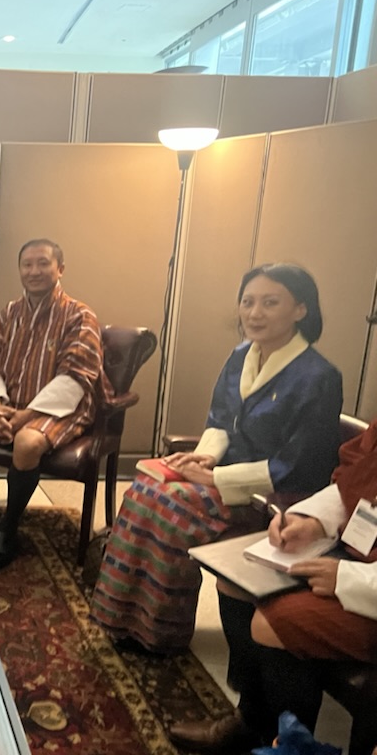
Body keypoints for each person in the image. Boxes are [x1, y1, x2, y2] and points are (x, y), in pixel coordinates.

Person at [91, 263, 343, 653]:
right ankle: (123, 620)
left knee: (175, 507)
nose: (254, 313)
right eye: (248, 302)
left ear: (301, 309)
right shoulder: (241, 355)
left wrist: (217, 480)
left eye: (270, 303)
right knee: (145, 490)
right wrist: (204, 458)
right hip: (225, 477)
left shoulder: (318, 376)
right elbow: (221, 420)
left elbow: (300, 464)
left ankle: (160, 633)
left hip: (275, 495)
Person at [169, 416, 377, 752]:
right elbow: (352, 485)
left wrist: (346, 579)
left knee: (273, 622)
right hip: (358, 552)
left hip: (369, 586)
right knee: (235, 581)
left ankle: (291, 744)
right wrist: (312, 521)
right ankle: (251, 720)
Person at [0, 238, 105, 571]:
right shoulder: (10, 312)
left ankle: (8, 528)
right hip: (7, 402)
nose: (34, 271)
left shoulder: (79, 315)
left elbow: (77, 376)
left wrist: (24, 417)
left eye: (43, 263)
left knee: (27, 442)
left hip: (58, 408)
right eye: (27, 264)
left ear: (60, 269)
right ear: (20, 270)